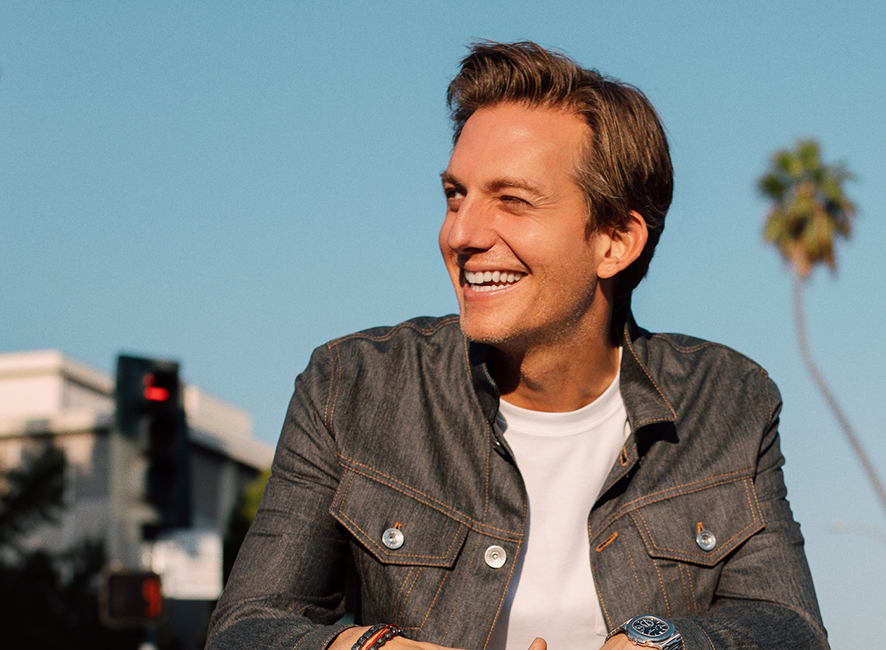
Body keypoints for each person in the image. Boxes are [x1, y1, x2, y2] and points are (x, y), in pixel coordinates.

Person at [207, 41, 825, 650]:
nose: (462, 232)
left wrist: (660, 645)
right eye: (457, 194)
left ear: (615, 240)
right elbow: (246, 629)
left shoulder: (728, 402)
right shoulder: (352, 386)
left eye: (513, 201)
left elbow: (787, 627)